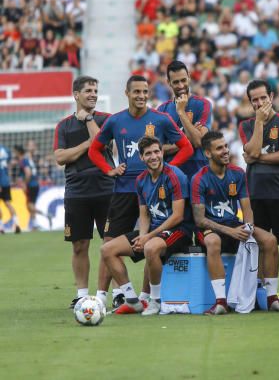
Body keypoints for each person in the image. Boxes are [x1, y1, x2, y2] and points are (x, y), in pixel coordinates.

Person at [88, 75, 193, 308]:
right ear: (127, 93)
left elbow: (186, 146)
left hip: (155, 192)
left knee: (150, 240)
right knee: (108, 243)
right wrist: (110, 169)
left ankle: (145, 298)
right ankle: (103, 297)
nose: (141, 96)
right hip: (125, 190)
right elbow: (94, 150)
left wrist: (169, 170)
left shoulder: (161, 119)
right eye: (136, 92)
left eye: (145, 92)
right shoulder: (116, 121)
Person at [191, 131, 279, 314]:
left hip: (234, 226)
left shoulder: (237, 173)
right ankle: (221, 302)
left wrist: (248, 228)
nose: (225, 151)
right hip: (210, 228)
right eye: (219, 148)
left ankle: (272, 299)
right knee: (213, 242)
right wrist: (230, 232)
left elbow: (247, 208)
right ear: (207, 153)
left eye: (226, 146)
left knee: (269, 240)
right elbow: (199, 220)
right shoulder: (199, 179)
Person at [101, 136, 192, 316]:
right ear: (141, 157)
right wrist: (142, 235)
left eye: (156, 152)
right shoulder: (141, 180)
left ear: (162, 152)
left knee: (150, 248)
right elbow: (144, 214)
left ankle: (155, 301)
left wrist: (148, 238)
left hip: (179, 230)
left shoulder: (175, 176)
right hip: (153, 232)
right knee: (107, 250)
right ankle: (133, 300)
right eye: (148, 153)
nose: (154, 156)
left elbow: (178, 216)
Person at [239, 80, 279, 305]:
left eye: (262, 98)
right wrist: (258, 123)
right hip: (255, 194)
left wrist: (256, 158)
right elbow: (253, 148)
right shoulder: (246, 125)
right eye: (254, 99)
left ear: (271, 96)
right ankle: (262, 296)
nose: (259, 103)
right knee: (260, 246)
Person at [53, 76, 113, 308]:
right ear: (76, 95)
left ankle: (105, 295)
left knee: (109, 244)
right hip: (77, 192)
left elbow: (103, 144)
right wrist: (86, 145)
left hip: (106, 189)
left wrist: (88, 119)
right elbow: (60, 157)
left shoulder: (106, 120)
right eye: (88, 90)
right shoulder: (64, 125)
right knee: (79, 245)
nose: (93, 94)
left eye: (96, 90)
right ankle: (81, 294)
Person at [157, 60, 212, 180]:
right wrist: (187, 141)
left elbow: (198, 142)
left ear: (189, 78)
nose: (181, 86)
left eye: (183, 80)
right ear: (168, 83)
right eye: (176, 82)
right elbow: (158, 149)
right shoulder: (162, 109)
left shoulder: (203, 104)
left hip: (198, 172)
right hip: (172, 173)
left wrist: (181, 112)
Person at [14, 144, 50, 231]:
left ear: (18, 152)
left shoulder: (23, 161)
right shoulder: (26, 159)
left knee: (30, 206)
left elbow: (28, 173)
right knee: (30, 205)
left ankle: (46, 215)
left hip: (31, 185)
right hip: (35, 184)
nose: (14, 153)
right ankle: (35, 225)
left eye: (14, 151)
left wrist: (24, 184)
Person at [0, 143, 20, 234]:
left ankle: (1, 227)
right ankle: (16, 223)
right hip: (6, 181)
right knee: (8, 203)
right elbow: (9, 164)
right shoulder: (6, 150)